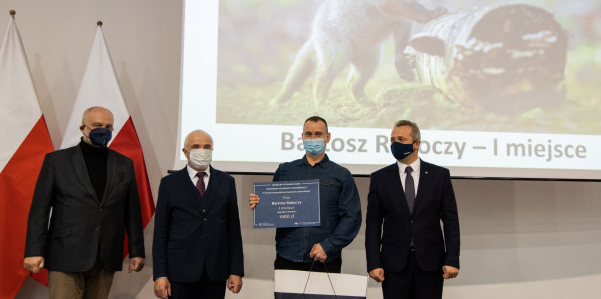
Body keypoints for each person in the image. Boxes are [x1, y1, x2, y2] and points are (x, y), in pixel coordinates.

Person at [24, 106, 145, 299]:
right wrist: (33, 250)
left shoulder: (124, 164)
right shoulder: (57, 161)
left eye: (108, 126)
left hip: (105, 255)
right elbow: (40, 209)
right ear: (83, 128)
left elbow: (132, 212)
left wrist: (136, 251)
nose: (103, 130)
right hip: (65, 254)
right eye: (97, 125)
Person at [249, 116, 361, 273]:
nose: (312, 138)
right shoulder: (285, 170)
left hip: (325, 258)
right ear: (302, 137)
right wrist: (261, 203)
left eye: (318, 134)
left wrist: (328, 246)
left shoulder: (341, 175)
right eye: (308, 134)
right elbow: (275, 210)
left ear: (327, 137)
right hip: (287, 256)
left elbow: (352, 218)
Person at [365, 120, 460, 299]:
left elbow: (451, 221)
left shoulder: (440, 176)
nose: (395, 144)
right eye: (392, 140)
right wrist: (373, 262)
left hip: (430, 263)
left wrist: (452, 259)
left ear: (416, 144)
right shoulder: (380, 178)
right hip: (393, 265)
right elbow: (373, 224)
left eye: (401, 139)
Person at [152, 130, 244, 299]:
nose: (202, 150)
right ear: (185, 152)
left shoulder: (226, 182)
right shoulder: (169, 184)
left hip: (215, 271)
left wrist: (236, 270)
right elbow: (160, 233)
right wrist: (160, 274)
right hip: (179, 271)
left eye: (207, 147)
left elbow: (233, 230)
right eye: (196, 146)